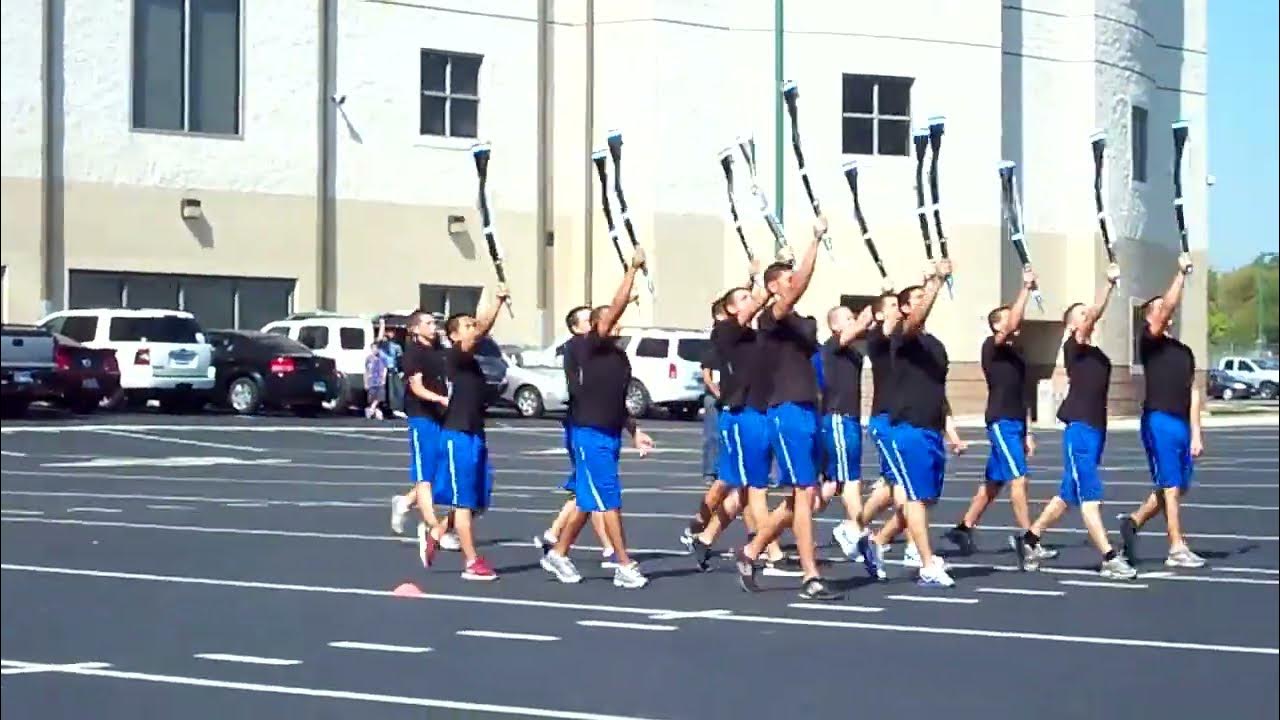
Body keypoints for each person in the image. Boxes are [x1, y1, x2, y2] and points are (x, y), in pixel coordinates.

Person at [733, 216, 842, 601]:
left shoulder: (800, 322)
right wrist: (814, 239)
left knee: (805, 496)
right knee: (804, 490)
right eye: (786, 278)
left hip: (808, 409)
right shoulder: (770, 318)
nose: (792, 281)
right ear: (774, 286)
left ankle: (749, 551)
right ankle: (810, 576)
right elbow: (796, 287)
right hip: (787, 411)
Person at [1014, 263, 1138, 580]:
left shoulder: (1095, 352)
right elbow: (1094, 315)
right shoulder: (1074, 346)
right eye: (1081, 315)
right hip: (1080, 427)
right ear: (1072, 325)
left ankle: (1029, 539)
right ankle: (1109, 557)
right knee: (1090, 495)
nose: (1088, 317)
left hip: (1096, 428)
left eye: (1087, 314)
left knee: (1068, 493)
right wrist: (1108, 284)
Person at [540, 249, 655, 589]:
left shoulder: (619, 358)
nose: (617, 322)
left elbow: (618, 402)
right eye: (609, 319)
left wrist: (634, 432)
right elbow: (613, 309)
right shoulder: (582, 348)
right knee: (608, 498)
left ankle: (558, 553)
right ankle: (623, 564)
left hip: (608, 432)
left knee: (588, 500)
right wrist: (631, 270)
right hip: (587, 432)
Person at [944, 268, 1052, 559]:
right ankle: (1029, 539)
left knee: (994, 482)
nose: (1017, 322)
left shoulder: (1018, 353)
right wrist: (1025, 289)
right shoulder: (992, 346)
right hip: (1000, 421)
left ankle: (964, 527)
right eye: (1007, 318)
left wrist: (1028, 432)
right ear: (996, 326)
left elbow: (1023, 394)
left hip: (1016, 421)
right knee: (1019, 478)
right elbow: (1012, 322)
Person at [1119, 253, 1205, 568]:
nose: (1166, 309)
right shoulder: (1148, 341)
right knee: (1170, 484)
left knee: (1177, 485)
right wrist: (1180, 274)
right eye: (1158, 307)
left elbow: (1193, 392)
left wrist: (1196, 432)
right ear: (1150, 317)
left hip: (1182, 423)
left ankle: (1133, 522)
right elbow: (1167, 305)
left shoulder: (1184, 352)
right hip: (1159, 420)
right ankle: (1176, 547)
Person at [881, 262, 957, 587]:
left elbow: (939, 389)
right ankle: (926, 562)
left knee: (926, 497)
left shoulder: (935, 345)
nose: (925, 298)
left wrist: (949, 429)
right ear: (905, 307)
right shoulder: (902, 335)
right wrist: (936, 282)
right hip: (908, 426)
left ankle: (878, 541)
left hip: (931, 428)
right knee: (914, 497)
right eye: (919, 297)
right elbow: (914, 321)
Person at [429, 286, 510, 581]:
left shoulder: (472, 360)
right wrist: (498, 303)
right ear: (453, 335)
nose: (472, 329)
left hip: (476, 434)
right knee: (463, 502)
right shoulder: (455, 356)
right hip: (457, 435)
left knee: (478, 498)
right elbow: (481, 332)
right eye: (466, 325)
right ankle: (472, 562)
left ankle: (438, 530)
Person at [535, 306, 615, 568]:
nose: (594, 324)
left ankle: (555, 535)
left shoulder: (597, 349)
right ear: (576, 327)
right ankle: (609, 548)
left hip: (596, 422)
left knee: (585, 487)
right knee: (592, 487)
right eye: (587, 320)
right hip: (582, 423)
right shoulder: (577, 348)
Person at [387, 312, 459, 560]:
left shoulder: (440, 348)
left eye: (434, 322)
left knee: (441, 471)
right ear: (415, 329)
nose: (434, 326)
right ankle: (434, 528)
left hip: (442, 417)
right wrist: (440, 398)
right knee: (425, 476)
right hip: (422, 416)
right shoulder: (413, 353)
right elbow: (417, 387)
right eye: (428, 323)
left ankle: (405, 502)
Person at [820, 303, 876, 559]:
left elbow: (872, 327)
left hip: (850, 420)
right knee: (851, 480)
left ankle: (776, 528)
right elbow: (864, 322)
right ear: (834, 325)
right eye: (848, 318)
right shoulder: (833, 345)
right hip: (838, 418)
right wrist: (880, 303)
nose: (854, 321)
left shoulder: (853, 349)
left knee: (832, 484)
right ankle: (856, 530)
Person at [700, 299, 728, 486]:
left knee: (729, 434)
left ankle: (727, 471)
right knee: (713, 435)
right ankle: (710, 471)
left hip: (732, 395)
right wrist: (715, 391)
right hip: (714, 395)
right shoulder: (713, 344)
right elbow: (706, 373)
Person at [364, 340, 388, 420]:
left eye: (376, 348)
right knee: (372, 398)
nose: (375, 350)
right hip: (371, 381)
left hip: (380, 381)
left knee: (380, 397)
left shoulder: (383, 358)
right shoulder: (368, 359)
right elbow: (366, 371)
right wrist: (366, 382)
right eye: (373, 348)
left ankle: (371, 409)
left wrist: (384, 379)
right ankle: (376, 411)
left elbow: (385, 369)